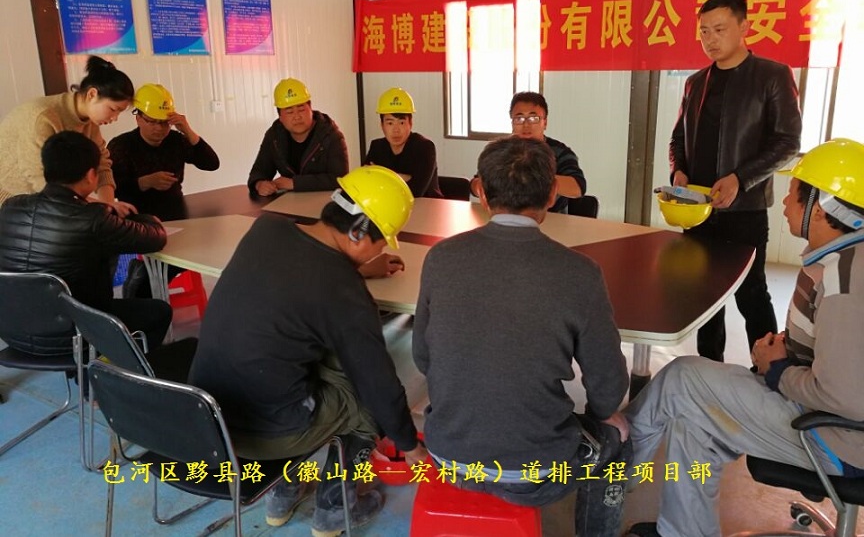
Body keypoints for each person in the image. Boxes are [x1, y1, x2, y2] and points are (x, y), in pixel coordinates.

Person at [623, 138, 864, 537]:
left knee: (681, 378)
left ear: (820, 210)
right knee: (693, 421)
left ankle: (611, 472)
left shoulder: (845, 282)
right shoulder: (847, 259)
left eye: (792, 195)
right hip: (835, 425)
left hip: (837, 441)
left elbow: (844, 397)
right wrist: (790, 349)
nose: (783, 204)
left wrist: (778, 369)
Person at [189, 165, 427, 536]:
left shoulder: (268, 230)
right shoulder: (343, 291)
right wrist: (410, 446)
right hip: (264, 433)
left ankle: (281, 495)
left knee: (313, 355)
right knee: (368, 399)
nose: (381, 249)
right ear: (358, 232)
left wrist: (358, 270)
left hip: (206, 417)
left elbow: (299, 273)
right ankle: (335, 508)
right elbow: (378, 384)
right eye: (381, 241)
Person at [414, 135, 630, 536]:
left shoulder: (440, 258)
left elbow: (423, 357)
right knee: (619, 435)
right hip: (535, 475)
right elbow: (608, 387)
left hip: (448, 457)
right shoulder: (580, 272)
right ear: (552, 195)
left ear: (481, 191)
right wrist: (604, 414)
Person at [669, 0, 802, 362]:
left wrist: (741, 179)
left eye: (720, 29)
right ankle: (709, 367)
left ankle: (770, 370)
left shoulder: (772, 76)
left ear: (744, 27)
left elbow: (788, 142)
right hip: (697, 209)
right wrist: (678, 169)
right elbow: (678, 138)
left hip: (745, 210)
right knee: (705, 295)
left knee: (751, 293)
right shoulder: (696, 82)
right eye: (704, 31)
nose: (710, 39)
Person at [0, 131, 176, 361]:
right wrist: (146, 218)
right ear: (91, 175)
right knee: (159, 312)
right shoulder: (91, 218)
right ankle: (119, 375)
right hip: (73, 336)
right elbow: (156, 238)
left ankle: (91, 370)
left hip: (13, 331)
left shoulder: (11, 207)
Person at [0, 56, 136, 216]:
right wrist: (100, 206)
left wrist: (109, 205)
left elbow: (101, 164)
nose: (114, 118)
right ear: (92, 94)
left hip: (45, 204)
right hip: (12, 203)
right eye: (113, 109)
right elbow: (40, 181)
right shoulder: (43, 117)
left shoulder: (89, 121)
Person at [108, 83, 220, 222]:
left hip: (176, 214)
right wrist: (144, 182)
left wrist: (188, 131)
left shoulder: (176, 140)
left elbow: (211, 164)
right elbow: (112, 189)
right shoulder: (121, 145)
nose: (159, 128)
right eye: (152, 122)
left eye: (164, 122)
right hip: (136, 217)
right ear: (138, 119)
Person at [469, 91, 586, 213]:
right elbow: (474, 186)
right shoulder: (500, 150)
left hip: (550, 218)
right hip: (505, 217)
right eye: (519, 118)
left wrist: (532, 179)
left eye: (533, 118)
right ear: (512, 123)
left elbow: (578, 188)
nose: (526, 125)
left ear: (545, 122)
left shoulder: (560, 152)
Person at [247, 78, 349, 196]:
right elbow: (259, 171)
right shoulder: (274, 136)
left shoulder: (331, 135)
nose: (297, 117)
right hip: (289, 202)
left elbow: (339, 179)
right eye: (289, 112)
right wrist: (259, 184)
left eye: (301, 109)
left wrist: (294, 183)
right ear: (280, 117)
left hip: (325, 201)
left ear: (310, 108)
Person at [364, 87, 443, 198]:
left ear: (410, 123)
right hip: (389, 204)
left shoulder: (425, 147)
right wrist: (404, 178)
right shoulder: (376, 147)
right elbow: (366, 183)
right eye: (390, 123)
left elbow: (415, 191)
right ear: (382, 125)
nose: (396, 130)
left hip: (427, 205)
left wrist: (381, 176)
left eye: (401, 122)